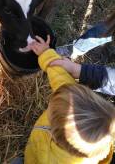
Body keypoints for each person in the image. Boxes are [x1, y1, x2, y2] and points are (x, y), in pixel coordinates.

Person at [20, 35, 115, 164]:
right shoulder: (73, 99)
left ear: (55, 135)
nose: (49, 107)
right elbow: (61, 79)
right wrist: (46, 53)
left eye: (51, 111)